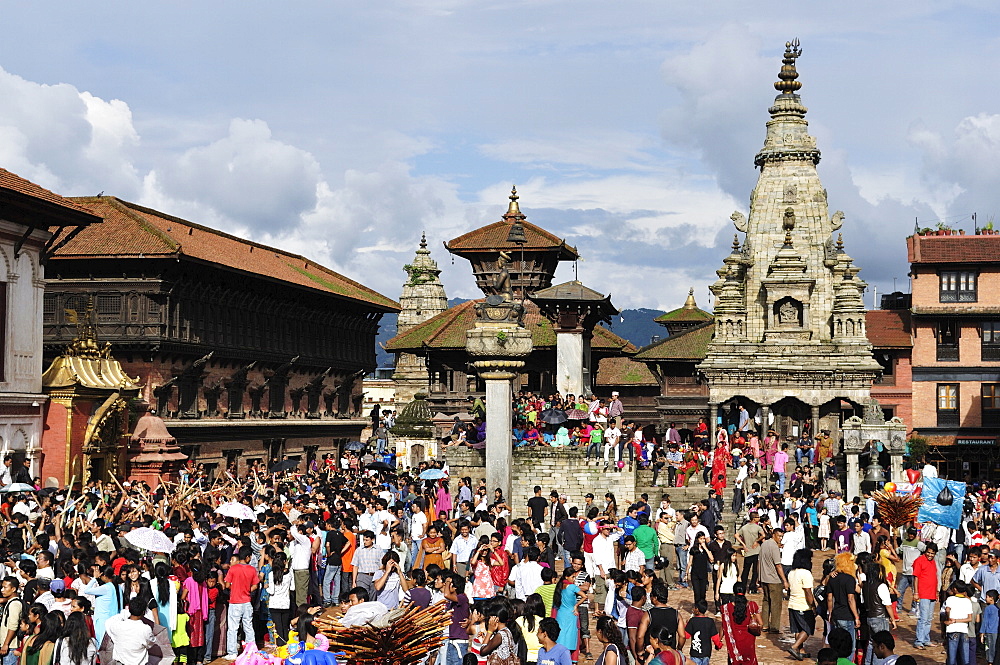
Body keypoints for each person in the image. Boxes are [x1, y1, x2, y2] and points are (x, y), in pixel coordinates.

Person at [224, 547, 258, 660]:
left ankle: (232, 652)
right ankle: (252, 650)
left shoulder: (233, 569)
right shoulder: (252, 570)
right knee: (248, 627)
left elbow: (227, 584)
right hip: (247, 602)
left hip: (235, 602)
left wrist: (235, 588)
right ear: (248, 557)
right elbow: (255, 585)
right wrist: (247, 590)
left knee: (233, 628)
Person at [104, 597, 157, 665]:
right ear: (143, 612)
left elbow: (108, 622)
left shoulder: (117, 625)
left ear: (129, 609)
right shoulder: (145, 629)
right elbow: (150, 643)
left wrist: (124, 614)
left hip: (120, 663)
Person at [828, 552, 861, 656]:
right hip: (847, 616)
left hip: (836, 615)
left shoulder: (832, 578)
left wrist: (830, 613)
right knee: (849, 647)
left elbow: (829, 598)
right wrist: (856, 616)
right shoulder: (850, 579)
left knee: (837, 645)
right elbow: (851, 599)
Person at [786, 548, 815, 661]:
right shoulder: (806, 573)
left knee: (798, 629)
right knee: (808, 628)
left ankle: (800, 651)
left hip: (792, 605)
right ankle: (794, 647)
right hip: (803, 605)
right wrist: (812, 605)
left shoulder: (791, 572)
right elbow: (808, 591)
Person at [720, 583, 759, 665]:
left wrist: (718, 641)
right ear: (745, 592)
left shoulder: (726, 608)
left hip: (734, 642)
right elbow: (761, 624)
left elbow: (724, 626)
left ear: (734, 593)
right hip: (749, 641)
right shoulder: (752, 605)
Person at [758, 526, 786, 634]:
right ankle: (774, 627)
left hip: (764, 578)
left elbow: (759, 561)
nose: (780, 538)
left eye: (781, 537)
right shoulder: (774, 547)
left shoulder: (764, 544)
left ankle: (764, 624)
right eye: (779, 536)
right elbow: (778, 565)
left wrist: (759, 578)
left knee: (766, 602)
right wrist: (784, 580)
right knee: (776, 604)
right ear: (774, 535)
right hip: (774, 579)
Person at [913, 542, 940, 650]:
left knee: (929, 619)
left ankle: (926, 639)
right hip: (923, 593)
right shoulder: (919, 561)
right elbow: (916, 578)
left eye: (932, 553)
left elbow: (934, 577)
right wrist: (916, 592)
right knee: (923, 618)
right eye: (928, 552)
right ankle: (919, 640)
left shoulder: (933, 562)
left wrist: (936, 592)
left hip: (932, 593)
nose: (930, 555)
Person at [944, 580, 973, 665]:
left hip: (953, 629)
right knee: (965, 659)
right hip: (963, 630)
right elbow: (969, 618)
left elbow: (947, 610)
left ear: (955, 589)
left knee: (952, 658)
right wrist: (957, 620)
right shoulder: (967, 601)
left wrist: (950, 619)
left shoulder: (950, 599)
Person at [683, 600, 721, 665]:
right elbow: (715, 637)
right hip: (706, 653)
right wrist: (718, 645)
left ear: (697, 610)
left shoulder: (692, 621)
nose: (693, 609)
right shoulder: (710, 621)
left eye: (694, 608)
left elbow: (686, 635)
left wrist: (686, 624)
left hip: (695, 653)